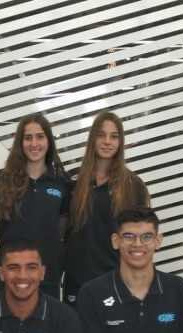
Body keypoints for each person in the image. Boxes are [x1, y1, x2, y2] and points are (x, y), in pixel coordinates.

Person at [63, 111, 150, 306]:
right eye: (101, 135)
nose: (107, 142)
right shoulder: (72, 180)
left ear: (120, 142)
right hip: (76, 281)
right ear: (92, 139)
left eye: (114, 136)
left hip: (116, 280)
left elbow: (141, 238)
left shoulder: (133, 185)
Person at [0, 113, 72, 299]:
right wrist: (13, 233)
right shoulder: (0, 178)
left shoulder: (61, 181)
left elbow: (60, 228)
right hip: (9, 272)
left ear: (48, 141)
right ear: (20, 142)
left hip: (47, 272)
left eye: (40, 137)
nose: (34, 143)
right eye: (28, 138)